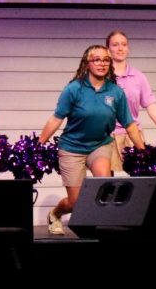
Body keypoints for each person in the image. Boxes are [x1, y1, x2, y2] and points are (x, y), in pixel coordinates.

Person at [39, 45, 146, 235]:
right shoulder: (73, 89)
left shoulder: (116, 92)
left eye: (105, 60)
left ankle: (97, 230)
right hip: (72, 148)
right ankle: (55, 214)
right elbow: (56, 119)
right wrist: (39, 144)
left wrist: (143, 151)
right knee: (75, 202)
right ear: (87, 63)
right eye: (96, 59)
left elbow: (130, 124)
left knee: (105, 190)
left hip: (100, 145)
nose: (102, 63)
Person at [105, 30, 156, 173]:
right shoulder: (102, 77)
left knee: (139, 182)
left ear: (128, 49)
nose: (120, 48)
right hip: (106, 137)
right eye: (115, 45)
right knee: (106, 184)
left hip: (133, 136)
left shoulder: (138, 77)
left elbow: (151, 106)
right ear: (108, 50)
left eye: (123, 44)